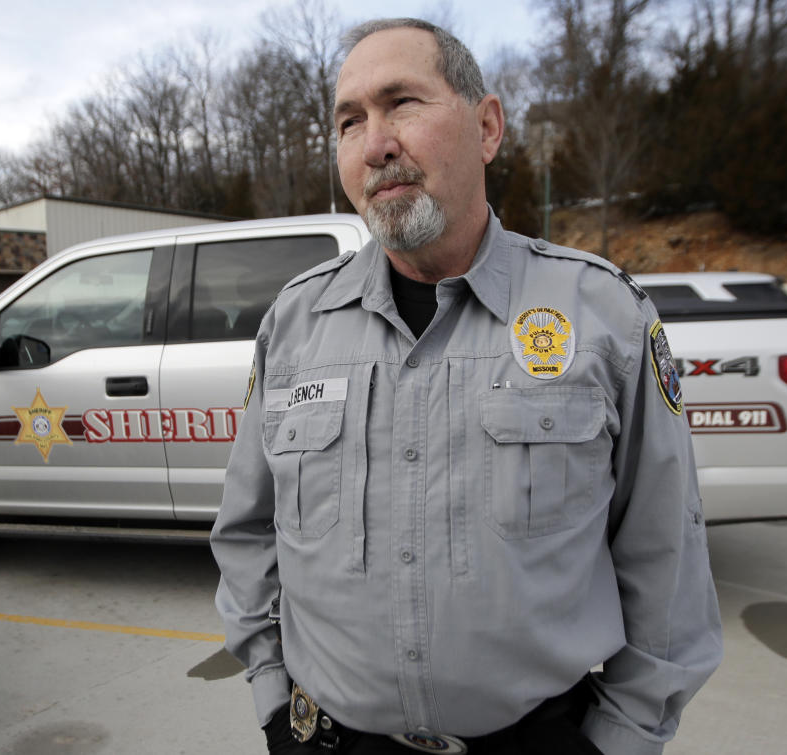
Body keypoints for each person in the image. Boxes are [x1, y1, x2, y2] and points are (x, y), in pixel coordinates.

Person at [211, 17, 722, 755]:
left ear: (486, 127)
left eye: (402, 104)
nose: (376, 141)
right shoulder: (295, 323)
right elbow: (246, 530)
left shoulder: (602, 314)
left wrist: (624, 733)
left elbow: (667, 554)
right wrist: (270, 696)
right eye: (349, 121)